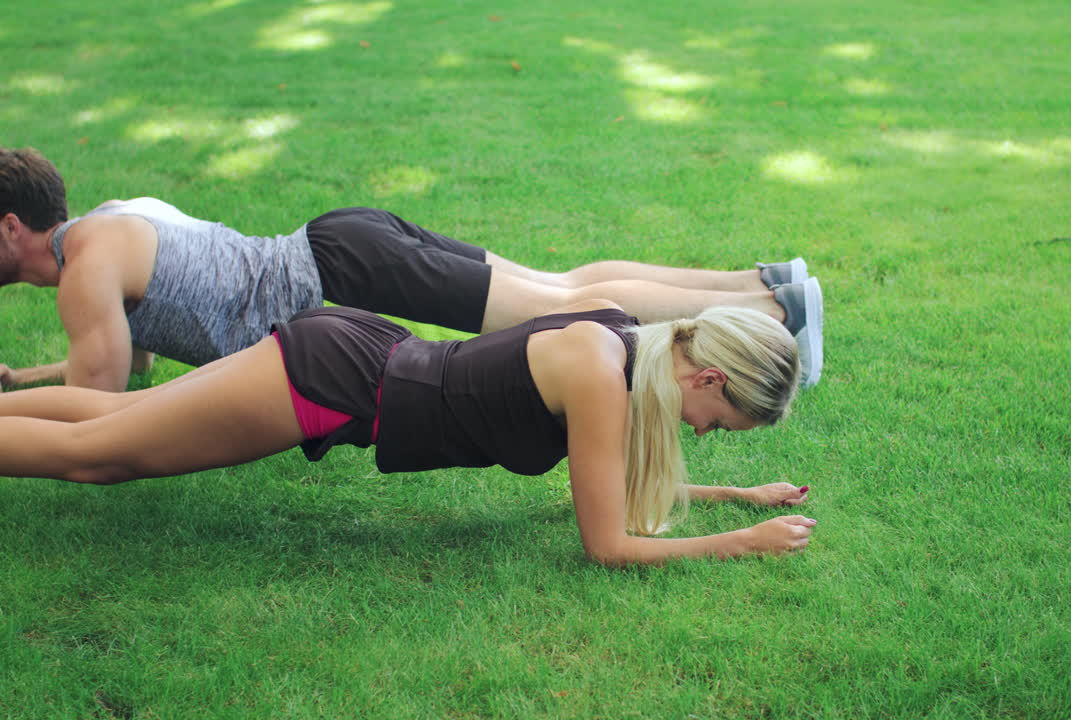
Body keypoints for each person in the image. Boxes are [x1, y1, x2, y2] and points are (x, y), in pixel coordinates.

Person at [0, 300, 817, 565]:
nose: (705, 435)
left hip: (355, 357)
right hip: (338, 383)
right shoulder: (602, 381)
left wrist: (737, 494)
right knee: (99, 457)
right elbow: (608, 543)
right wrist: (742, 538)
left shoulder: (626, 346)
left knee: (113, 419)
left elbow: (617, 476)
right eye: (719, 423)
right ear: (707, 377)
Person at [0, 147, 824, 392]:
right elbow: (131, 360)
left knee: (573, 306)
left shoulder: (85, 268)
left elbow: (98, 398)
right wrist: (18, 380)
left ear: (11, 227)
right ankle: (765, 283)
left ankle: (771, 309)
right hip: (345, 246)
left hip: (345, 272)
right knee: (567, 284)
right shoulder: (108, 228)